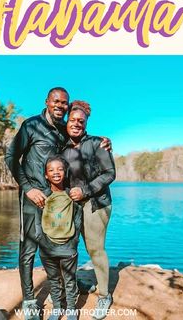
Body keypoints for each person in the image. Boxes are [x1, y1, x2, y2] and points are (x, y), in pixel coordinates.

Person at [5, 87, 110, 320]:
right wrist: (28, 188)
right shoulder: (31, 126)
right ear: (47, 102)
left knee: (62, 241)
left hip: (57, 199)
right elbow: (11, 157)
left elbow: (83, 140)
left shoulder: (65, 128)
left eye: (64, 103)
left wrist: (103, 142)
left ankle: (67, 288)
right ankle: (30, 300)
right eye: (56, 101)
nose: (60, 106)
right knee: (29, 248)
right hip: (33, 197)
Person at [62, 101, 116, 320]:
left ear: (85, 124)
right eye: (73, 120)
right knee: (68, 248)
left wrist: (85, 191)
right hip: (70, 205)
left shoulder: (97, 144)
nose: (76, 124)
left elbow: (109, 173)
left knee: (95, 249)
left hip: (96, 203)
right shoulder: (60, 146)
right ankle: (75, 284)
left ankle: (104, 295)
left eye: (81, 121)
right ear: (67, 122)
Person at [38, 155, 82, 320]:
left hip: (68, 247)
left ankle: (71, 308)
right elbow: (37, 221)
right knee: (54, 280)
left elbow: (77, 220)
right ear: (46, 175)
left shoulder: (72, 195)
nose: (56, 173)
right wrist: (41, 242)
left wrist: (74, 241)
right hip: (47, 248)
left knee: (69, 280)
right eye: (51, 170)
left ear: (65, 172)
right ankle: (57, 308)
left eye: (60, 169)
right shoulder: (42, 197)